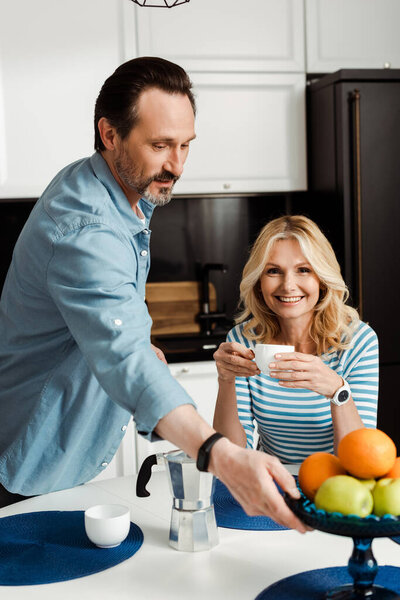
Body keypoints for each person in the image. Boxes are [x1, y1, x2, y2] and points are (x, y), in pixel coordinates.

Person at [0, 57, 307, 531]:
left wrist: (138, 342)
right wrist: (220, 456)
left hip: (65, 455)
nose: (177, 165)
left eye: (186, 144)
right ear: (110, 134)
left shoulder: (120, 185)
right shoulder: (86, 228)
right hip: (30, 465)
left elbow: (105, 313)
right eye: (161, 144)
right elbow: (123, 357)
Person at [213, 215, 378, 461]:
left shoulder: (358, 342)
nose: (288, 285)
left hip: (336, 488)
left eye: (303, 270)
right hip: (270, 484)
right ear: (259, 282)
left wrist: (337, 390)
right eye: (273, 271)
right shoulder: (245, 340)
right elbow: (233, 453)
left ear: (321, 279)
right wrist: (225, 380)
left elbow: (359, 458)